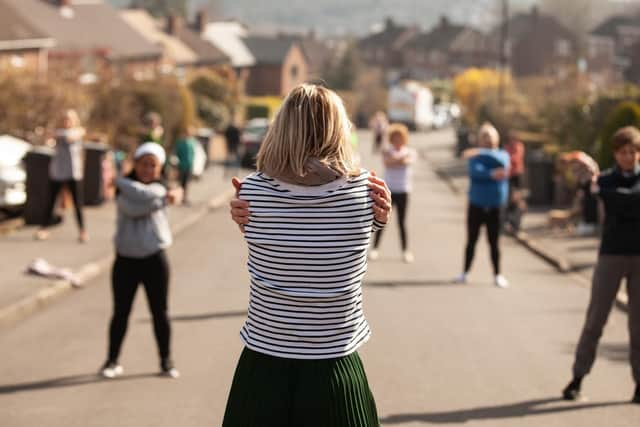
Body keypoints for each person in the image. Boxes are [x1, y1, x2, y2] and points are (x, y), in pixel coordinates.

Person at [221, 84, 392, 426]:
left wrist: (251, 225)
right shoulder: (366, 192)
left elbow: (277, 249)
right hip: (335, 366)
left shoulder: (253, 192)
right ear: (338, 129)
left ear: (281, 128)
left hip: (263, 365)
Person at [562, 127, 640, 404]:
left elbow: (631, 202)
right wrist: (590, 186)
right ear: (615, 154)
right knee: (596, 318)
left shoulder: (607, 184)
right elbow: (591, 213)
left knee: (638, 324)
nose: (628, 157)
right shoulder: (603, 179)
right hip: (611, 255)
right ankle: (577, 377)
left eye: (632, 152)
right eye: (623, 153)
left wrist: (604, 192)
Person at [101, 142, 183, 380]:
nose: (147, 169)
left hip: (154, 259)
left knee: (160, 312)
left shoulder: (159, 188)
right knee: (120, 313)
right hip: (125, 260)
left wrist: (118, 181)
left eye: (152, 165)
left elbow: (146, 196)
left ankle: (166, 361)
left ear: (159, 168)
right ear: (135, 164)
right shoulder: (129, 192)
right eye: (143, 164)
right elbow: (133, 209)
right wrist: (163, 200)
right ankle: (112, 360)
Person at [454, 123, 511, 288]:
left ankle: (497, 275)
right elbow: (475, 172)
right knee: (471, 240)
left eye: (491, 137)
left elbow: (503, 165)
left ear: (496, 139)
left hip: (496, 206)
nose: (488, 140)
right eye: (484, 137)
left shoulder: (501, 154)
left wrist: (481, 153)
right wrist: (491, 173)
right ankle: (464, 272)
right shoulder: (475, 157)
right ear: (480, 139)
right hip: (477, 204)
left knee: (494, 242)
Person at [35, 109, 88, 243]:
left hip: (73, 173)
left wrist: (58, 134)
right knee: (51, 201)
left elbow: (73, 136)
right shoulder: (57, 133)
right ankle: (44, 228)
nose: (66, 122)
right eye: (64, 119)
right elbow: (47, 139)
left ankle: (82, 231)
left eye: (69, 119)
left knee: (78, 204)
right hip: (58, 172)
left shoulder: (77, 132)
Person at [369, 123, 416, 263]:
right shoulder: (387, 150)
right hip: (388, 190)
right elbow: (388, 163)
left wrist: (395, 159)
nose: (397, 140)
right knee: (382, 220)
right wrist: (398, 159)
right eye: (395, 137)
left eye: (400, 137)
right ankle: (375, 249)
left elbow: (406, 161)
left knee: (401, 222)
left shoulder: (410, 151)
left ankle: (405, 251)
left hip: (403, 190)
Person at [504, 132, 526, 232]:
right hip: (508, 176)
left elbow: (515, 159)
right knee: (509, 200)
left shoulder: (518, 146)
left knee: (517, 199)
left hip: (516, 176)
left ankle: (516, 222)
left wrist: (507, 158)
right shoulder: (507, 147)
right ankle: (509, 222)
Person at [173, 128, 196, 205]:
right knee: (181, 182)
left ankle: (185, 198)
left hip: (189, 165)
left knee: (186, 183)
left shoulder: (192, 142)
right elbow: (176, 154)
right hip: (182, 165)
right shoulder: (180, 143)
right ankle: (180, 197)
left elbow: (193, 154)